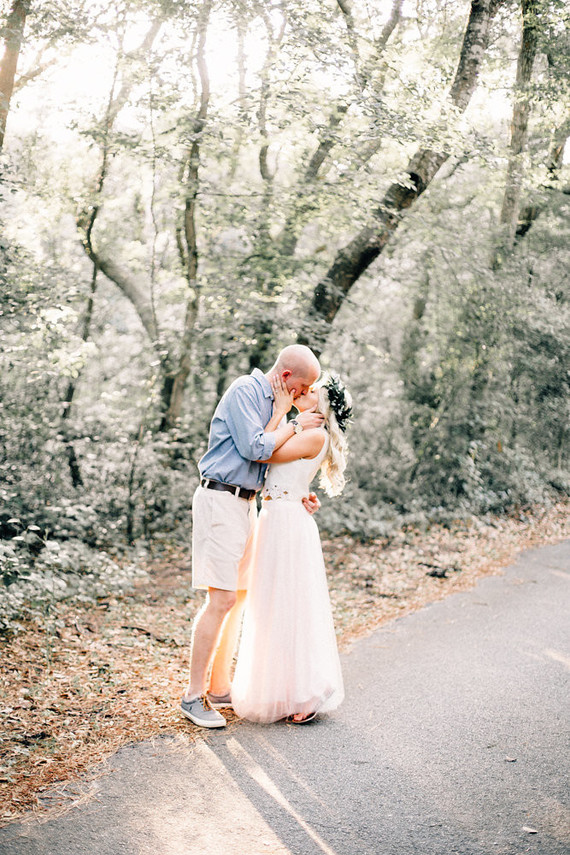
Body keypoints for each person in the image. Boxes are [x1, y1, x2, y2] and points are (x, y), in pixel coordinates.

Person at [181, 344, 324, 728]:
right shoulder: (246, 390)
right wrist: (291, 422)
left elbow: (272, 466)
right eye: (304, 386)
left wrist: (298, 497)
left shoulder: (275, 402)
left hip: (247, 505)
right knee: (221, 598)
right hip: (220, 498)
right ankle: (193, 696)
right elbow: (255, 448)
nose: (303, 394)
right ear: (287, 377)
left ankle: (219, 687)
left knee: (239, 598)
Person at [231, 374, 352, 724]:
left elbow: (263, 454)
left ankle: (307, 692)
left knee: (290, 606)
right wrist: (288, 418)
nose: (303, 392)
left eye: (312, 391)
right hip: (277, 517)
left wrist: (283, 412)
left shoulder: (313, 434)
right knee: (273, 606)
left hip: (287, 523)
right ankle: (284, 688)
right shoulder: (300, 429)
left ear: (322, 405)